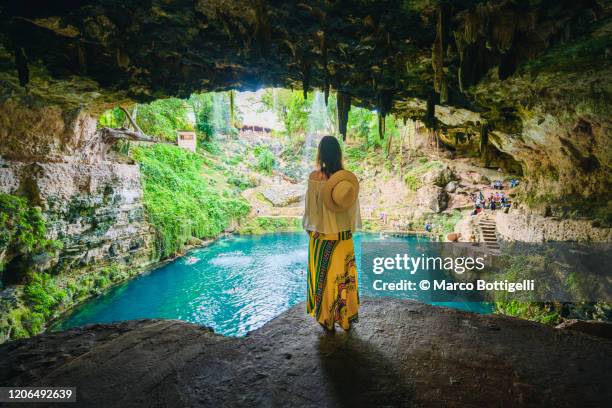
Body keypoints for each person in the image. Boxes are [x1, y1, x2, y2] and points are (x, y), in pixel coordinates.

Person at [302, 135, 361, 333]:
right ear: (338, 154)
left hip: (322, 239)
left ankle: (326, 318)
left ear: (321, 153)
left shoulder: (315, 178)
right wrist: (346, 232)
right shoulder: (347, 180)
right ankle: (345, 317)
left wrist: (311, 231)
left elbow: (311, 211)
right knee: (344, 278)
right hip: (344, 240)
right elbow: (352, 213)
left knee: (324, 279)